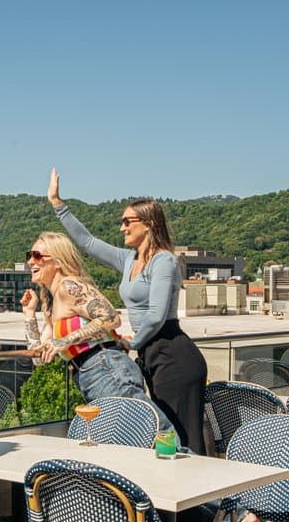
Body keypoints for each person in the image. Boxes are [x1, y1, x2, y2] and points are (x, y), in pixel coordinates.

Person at [47, 168, 208, 455]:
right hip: (150, 354)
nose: (122, 227)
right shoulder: (128, 259)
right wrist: (59, 205)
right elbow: (87, 242)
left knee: (179, 436)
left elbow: (157, 315)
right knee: (164, 439)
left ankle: (201, 500)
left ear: (148, 223)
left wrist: (130, 342)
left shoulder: (164, 261)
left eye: (127, 221)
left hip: (172, 351)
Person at [21, 231, 170, 417]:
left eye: (37, 256)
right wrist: (29, 314)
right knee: (134, 438)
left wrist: (65, 340)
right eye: (29, 256)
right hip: (88, 373)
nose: (31, 261)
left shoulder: (69, 286)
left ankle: (181, 448)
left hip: (105, 366)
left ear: (58, 261)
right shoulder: (51, 304)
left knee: (153, 432)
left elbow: (111, 318)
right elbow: (38, 358)